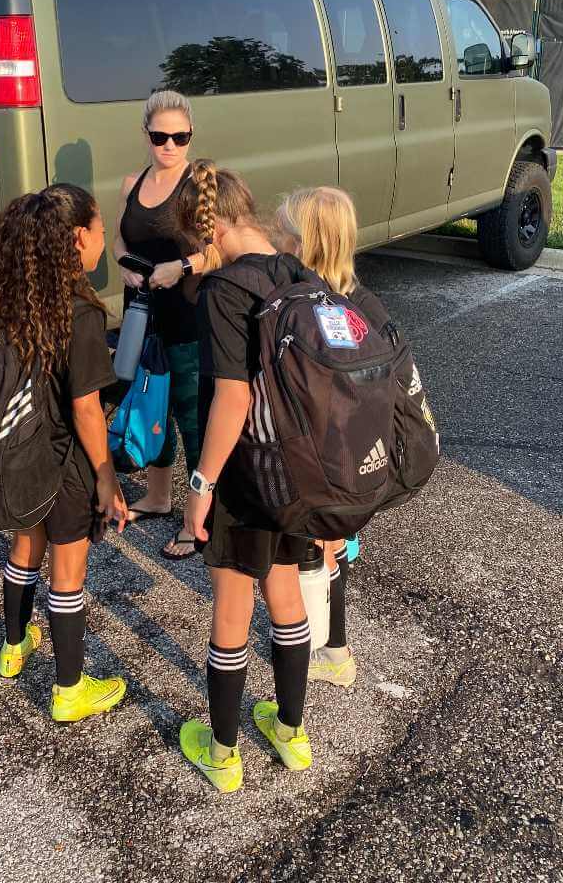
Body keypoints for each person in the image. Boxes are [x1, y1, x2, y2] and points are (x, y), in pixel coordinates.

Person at [176, 161, 314, 793]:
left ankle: (224, 750)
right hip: (296, 470)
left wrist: (198, 488)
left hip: (242, 472)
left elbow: (231, 398)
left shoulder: (223, 292)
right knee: (285, 595)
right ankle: (290, 732)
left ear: (212, 232)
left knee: (234, 605)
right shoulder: (298, 273)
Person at [0, 185, 130, 723]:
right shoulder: (81, 314)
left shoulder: (15, 300)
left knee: (27, 547)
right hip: (66, 460)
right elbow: (87, 410)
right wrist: (105, 476)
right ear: (78, 239)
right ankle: (69, 688)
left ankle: (14, 645)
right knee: (68, 572)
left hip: (19, 451)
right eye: (99, 231)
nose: (102, 241)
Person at [274, 186, 370, 690]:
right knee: (337, 545)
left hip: (316, 459)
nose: (276, 239)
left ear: (303, 243)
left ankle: (305, 655)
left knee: (313, 552)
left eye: (284, 232)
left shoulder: (304, 310)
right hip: (357, 459)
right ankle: (336, 648)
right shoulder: (360, 300)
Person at [112, 89, 207, 559]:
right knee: (150, 405)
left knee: (191, 416)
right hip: (140, 315)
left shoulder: (200, 185)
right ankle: (156, 496)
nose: (169, 146)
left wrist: (183, 267)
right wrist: (125, 264)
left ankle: (196, 519)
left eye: (180, 137)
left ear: (190, 136)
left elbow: (224, 249)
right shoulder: (132, 183)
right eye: (160, 137)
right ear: (146, 135)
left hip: (186, 318)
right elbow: (116, 240)